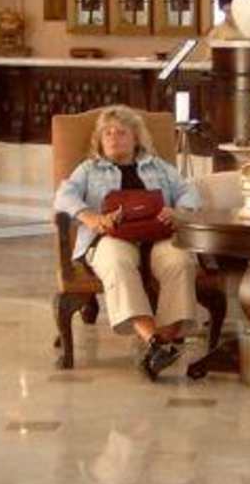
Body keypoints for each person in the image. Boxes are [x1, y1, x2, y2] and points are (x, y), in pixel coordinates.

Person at [53, 105, 201, 381]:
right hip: (110, 236)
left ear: (136, 138)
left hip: (158, 234)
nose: (113, 137)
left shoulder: (158, 166)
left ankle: (161, 344)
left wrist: (179, 211)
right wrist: (91, 218)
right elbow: (63, 196)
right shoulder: (89, 169)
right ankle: (155, 342)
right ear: (100, 140)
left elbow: (189, 190)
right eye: (107, 133)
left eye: (121, 132)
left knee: (180, 261)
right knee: (116, 262)